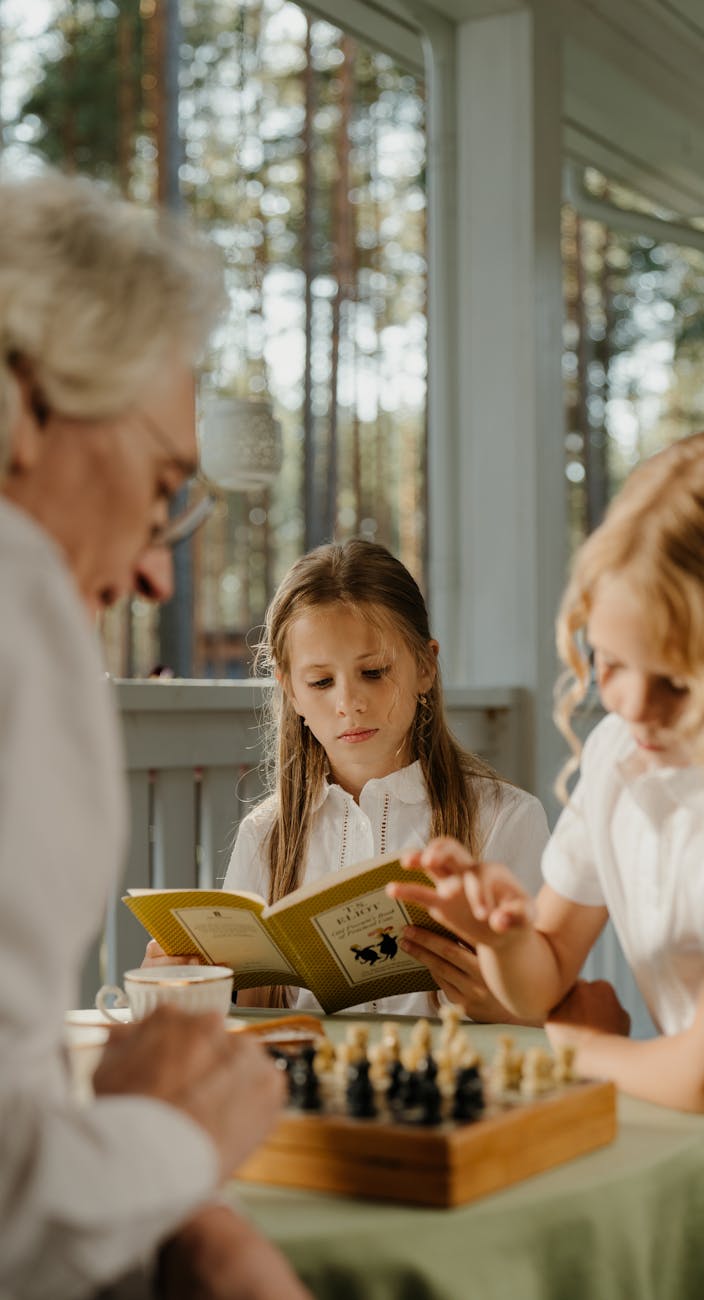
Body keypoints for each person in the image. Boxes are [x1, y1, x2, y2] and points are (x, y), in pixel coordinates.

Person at [391, 429, 704, 1300]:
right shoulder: (621, 750)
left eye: (678, 681)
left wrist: (573, 1045)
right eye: (609, 664)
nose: (634, 707)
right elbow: (543, 975)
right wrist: (500, 938)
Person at [0, 171, 310, 1300]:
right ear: (31, 403)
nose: (154, 572)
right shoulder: (18, 596)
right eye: (163, 484)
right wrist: (176, 1139)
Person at [148, 538, 552, 1021]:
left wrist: (503, 1002)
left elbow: (548, 1012)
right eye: (321, 682)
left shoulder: (507, 820)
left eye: (374, 672)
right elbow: (246, 1016)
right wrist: (185, 985)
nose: (349, 704)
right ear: (290, 691)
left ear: (425, 666)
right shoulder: (265, 834)